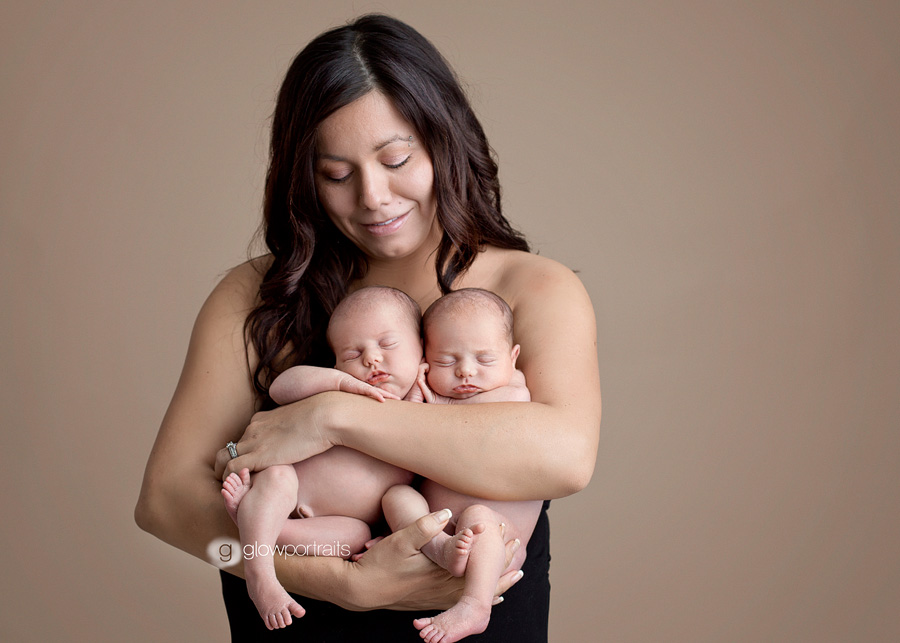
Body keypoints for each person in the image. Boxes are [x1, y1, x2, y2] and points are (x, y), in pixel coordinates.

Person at [135, 13, 601, 642]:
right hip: (289, 614)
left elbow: (567, 459)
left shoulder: (532, 288)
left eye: (397, 158)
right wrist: (340, 584)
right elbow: (162, 504)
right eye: (336, 174)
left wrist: (331, 417)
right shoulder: (255, 296)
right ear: (304, 178)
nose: (374, 196)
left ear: (445, 141)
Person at [221, 285, 425, 630]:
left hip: (335, 524)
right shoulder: (341, 390)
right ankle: (260, 573)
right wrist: (340, 383)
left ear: (423, 350)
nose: (371, 359)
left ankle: (259, 522)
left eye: (387, 344)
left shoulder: (429, 403)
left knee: (357, 536)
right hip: (289, 484)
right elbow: (280, 388)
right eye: (351, 353)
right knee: (278, 477)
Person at [381, 287, 543, 643]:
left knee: (479, 518)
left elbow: (502, 413)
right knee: (395, 497)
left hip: (497, 545)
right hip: (444, 535)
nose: (466, 372)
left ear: (513, 357)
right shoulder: (435, 397)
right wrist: (414, 395)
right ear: (424, 360)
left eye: (485, 360)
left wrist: (438, 407)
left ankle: (475, 606)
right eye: (444, 362)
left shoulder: (513, 391)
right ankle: (435, 545)